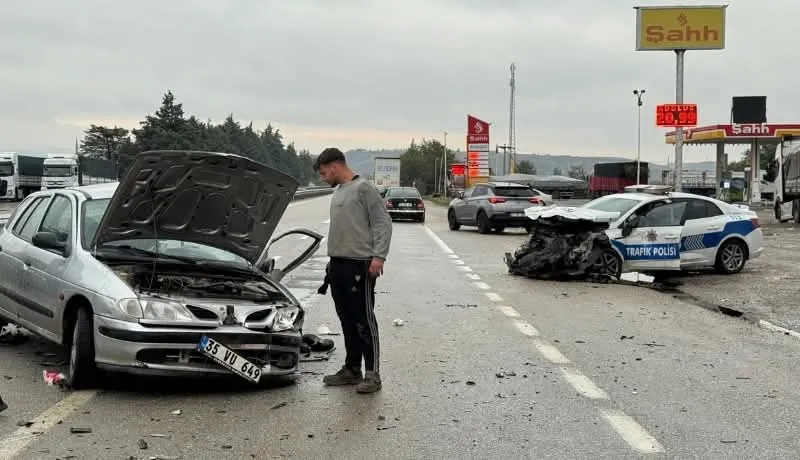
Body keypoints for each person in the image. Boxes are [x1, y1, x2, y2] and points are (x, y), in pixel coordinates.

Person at [313, 147, 393, 394]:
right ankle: (351, 369)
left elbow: (383, 223)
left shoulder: (364, 189)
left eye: (324, 173)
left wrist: (378, 257)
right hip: (338, 265)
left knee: (364, 320)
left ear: (335, 166)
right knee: (346, 319)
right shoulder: (339, 192)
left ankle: (372, 374)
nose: (322, 178)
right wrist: (332, 262)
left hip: (360, 265)